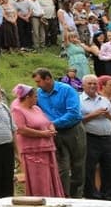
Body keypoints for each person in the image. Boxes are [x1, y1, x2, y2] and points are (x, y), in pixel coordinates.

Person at [33, 67, 86, 198]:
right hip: (55, 133)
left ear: (48, 79)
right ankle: (64, 196)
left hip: (73, 130)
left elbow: (73, 113)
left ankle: (77, 196)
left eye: (39, 81)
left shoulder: (67, 90)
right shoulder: (39, 94)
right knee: (62, 166)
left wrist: (53, 123)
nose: (37, 85)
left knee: (77, 165)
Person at [10, 84, 64, 197]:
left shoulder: (37, 108)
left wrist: (51, 128)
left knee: (51, 176)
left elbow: (47, 122)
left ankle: (54, 198)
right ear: (27, 97)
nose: (37, 99)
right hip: (32, 150)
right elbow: (21, 129)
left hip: (47, 148)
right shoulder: (17, 110)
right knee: (39, 178)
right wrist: (42, 134)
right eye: (35, 96)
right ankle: (40, 199)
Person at [79, 74, 111, 200]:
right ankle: (91, 194)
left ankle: (108, 194)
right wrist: (94, 114)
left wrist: (107, 115)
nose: (93, 86)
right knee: (90, 167)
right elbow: (78, 120)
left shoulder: (104, 100)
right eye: (89, 83)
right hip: (90, 137)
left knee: (109, 166)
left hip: (108, 138)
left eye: (94, 83)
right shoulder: (79, 101)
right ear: (83, 85)